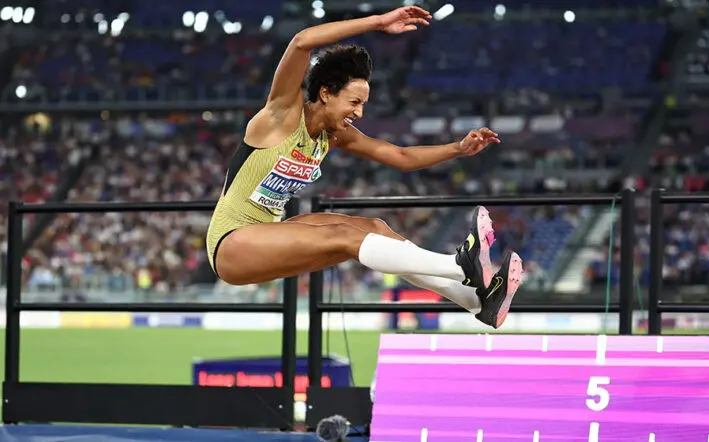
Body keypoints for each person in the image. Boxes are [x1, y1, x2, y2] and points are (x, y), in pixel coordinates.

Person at [205, 5, 523, 329]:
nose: (359, 113)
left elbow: (400, 157)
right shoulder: (281, 116)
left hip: (269, 233)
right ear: (326, 93)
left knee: (375, 228)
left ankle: (476, 302)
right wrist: (378, 21)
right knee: (343, 235)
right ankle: (458, 265)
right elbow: (301, 42)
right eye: (354, 102)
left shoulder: (335, 135)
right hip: (231, 244)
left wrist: (457, 148)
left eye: (363, 105)